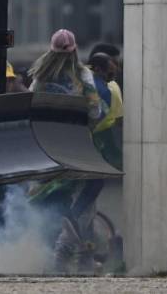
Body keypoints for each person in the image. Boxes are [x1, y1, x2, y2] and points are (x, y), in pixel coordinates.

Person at [28, 29, 105, 271]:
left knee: (49, 200)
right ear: (74, 51)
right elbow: (95, 111)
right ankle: (80, 255)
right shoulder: (83, 75)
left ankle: (61, 259)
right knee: (88, 200)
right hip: (79, 148)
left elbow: (29, 108)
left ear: (51, 50)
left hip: (46, 148)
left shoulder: (40, 77)